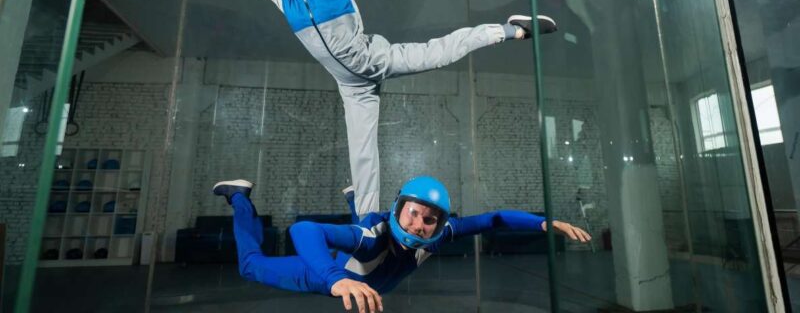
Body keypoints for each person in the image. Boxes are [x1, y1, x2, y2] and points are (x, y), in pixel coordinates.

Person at [133, 0, 559, 218]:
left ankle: (512, 30)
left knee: (443, 51)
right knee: (363, 155)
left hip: (378, 59)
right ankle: (369, 224)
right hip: (351, 86)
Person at [211, 177, 591, 313]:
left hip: (360, 276)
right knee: (250, 266)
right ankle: (239, 196)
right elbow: (304, 230)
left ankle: (355, 198)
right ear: (398, 209)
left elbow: (493, 219)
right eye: (412, 213)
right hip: (328, 275)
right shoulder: (371, 237)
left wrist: (543, 222)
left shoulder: (441, 234)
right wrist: (333, 279)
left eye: (430, 219)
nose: (419, 225)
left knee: (367, 230)